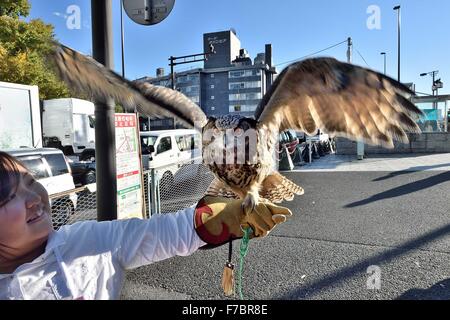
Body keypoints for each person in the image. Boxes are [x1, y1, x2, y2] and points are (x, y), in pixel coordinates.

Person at [0, 151, 292, 300]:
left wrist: (229, 217)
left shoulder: (87, 240)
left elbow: (165, 233)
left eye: (31, 182)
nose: (34, 198)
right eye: (8, 197)